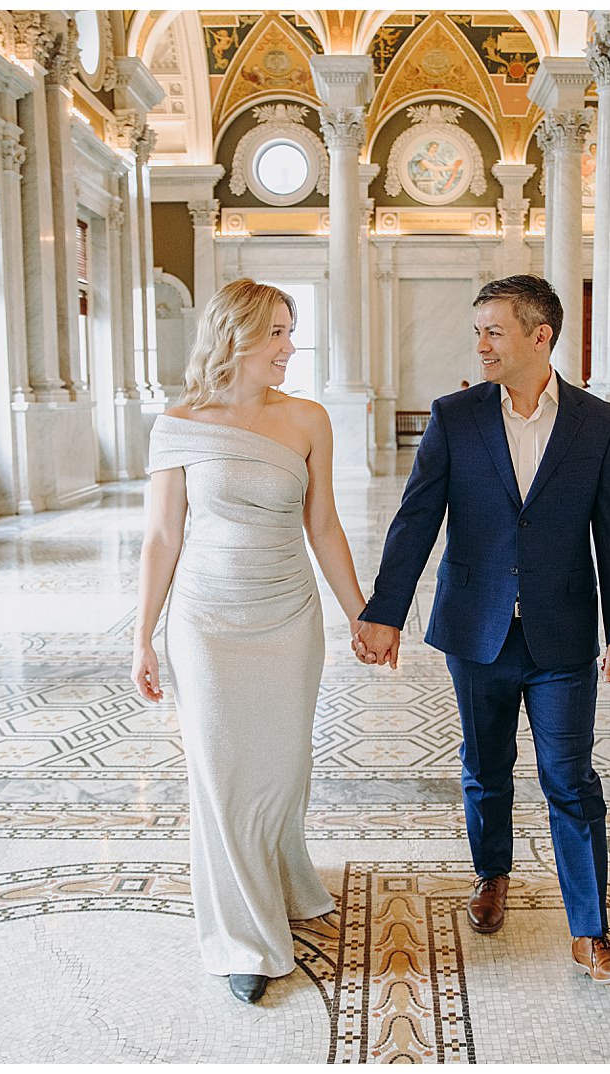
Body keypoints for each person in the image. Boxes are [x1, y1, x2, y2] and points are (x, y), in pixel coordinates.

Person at [353, 274, 610, 984]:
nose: (480, 344)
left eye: (494, 331)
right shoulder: (455, 417)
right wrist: (385, 611)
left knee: (569, 778)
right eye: (477, 330)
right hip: (476, 628)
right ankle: (493, 875)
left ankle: (590, 932)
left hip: (564, 635)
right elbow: (417, 518)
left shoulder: (597, 423)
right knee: (485, 769)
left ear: (539, 337)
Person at [132, 279, 368, 1005]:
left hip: (288, 619)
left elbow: (322, 525)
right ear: (233, 334)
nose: (289, 346)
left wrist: (362, 615)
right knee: (222, 776)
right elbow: (163, 536)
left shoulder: (308, 421)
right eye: (276, 332)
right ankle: (242, 939)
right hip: (205, 626)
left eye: (290, 331)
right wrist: (142, 635)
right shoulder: (178, 423)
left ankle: (283, 881)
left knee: (280, 771)